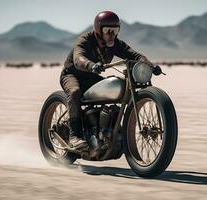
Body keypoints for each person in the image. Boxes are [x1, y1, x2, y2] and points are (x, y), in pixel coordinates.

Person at [60, 11, 154, 149]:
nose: (112, 35)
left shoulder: (115, 43)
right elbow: (78, 58)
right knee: (74, 92)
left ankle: (107, 131)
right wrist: (90, 65)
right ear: (99, 30)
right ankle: (74, 136)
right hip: (72, 75)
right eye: (108, 31)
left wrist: (150, 65)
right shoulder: (86, 40)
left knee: (112, 89)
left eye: (115, 31)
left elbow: (134, 54)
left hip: (92, 77)